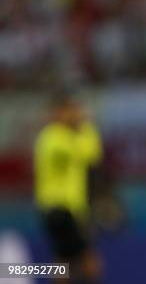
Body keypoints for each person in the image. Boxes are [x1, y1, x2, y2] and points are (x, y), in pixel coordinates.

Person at [34, 92, 103, 283]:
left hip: (62, 207)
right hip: (61, 207)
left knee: (65, 261)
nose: (73, 114)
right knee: (89, 262)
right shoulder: (55, 137)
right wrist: (86, 124)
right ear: (57, 113)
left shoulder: (56, 136)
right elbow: (90, 153)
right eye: (69, 110)